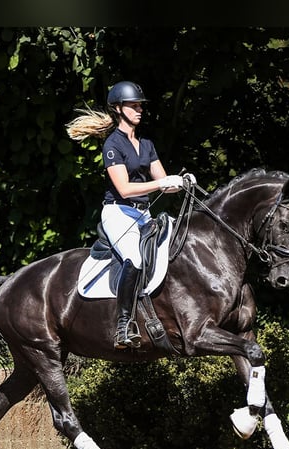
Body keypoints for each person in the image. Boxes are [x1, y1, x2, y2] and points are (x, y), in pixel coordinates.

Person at [66, 80, 195, 349]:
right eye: (134, 106)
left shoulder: (146, 144)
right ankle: (123, 324)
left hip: (143, 215)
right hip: (118, 213)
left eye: (140, 106)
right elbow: (124, 189)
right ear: (118, 108)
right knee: (134, 259)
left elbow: (164, 181)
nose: (139, 110)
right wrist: (160, 184)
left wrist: (181, 181)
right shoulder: (113, 145)